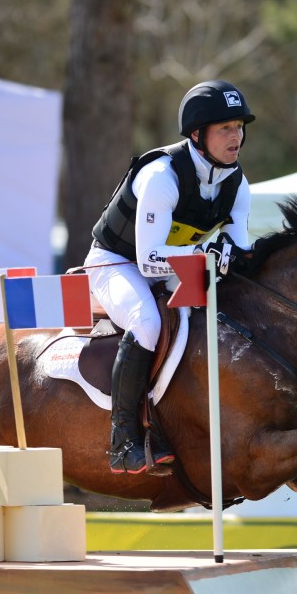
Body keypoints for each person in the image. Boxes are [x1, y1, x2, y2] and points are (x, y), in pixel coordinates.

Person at [85, 80, 256, 475]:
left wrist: (230, 254)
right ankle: (123, 438)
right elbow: (148, 261)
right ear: (197, 134)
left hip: (172, 268)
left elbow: (237, 250)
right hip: (116, 262)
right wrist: (205, 255)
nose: (237, 137)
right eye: (225, 129)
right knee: (147, 323)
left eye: (239, 127)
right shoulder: (163, 175)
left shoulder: (237, 184)